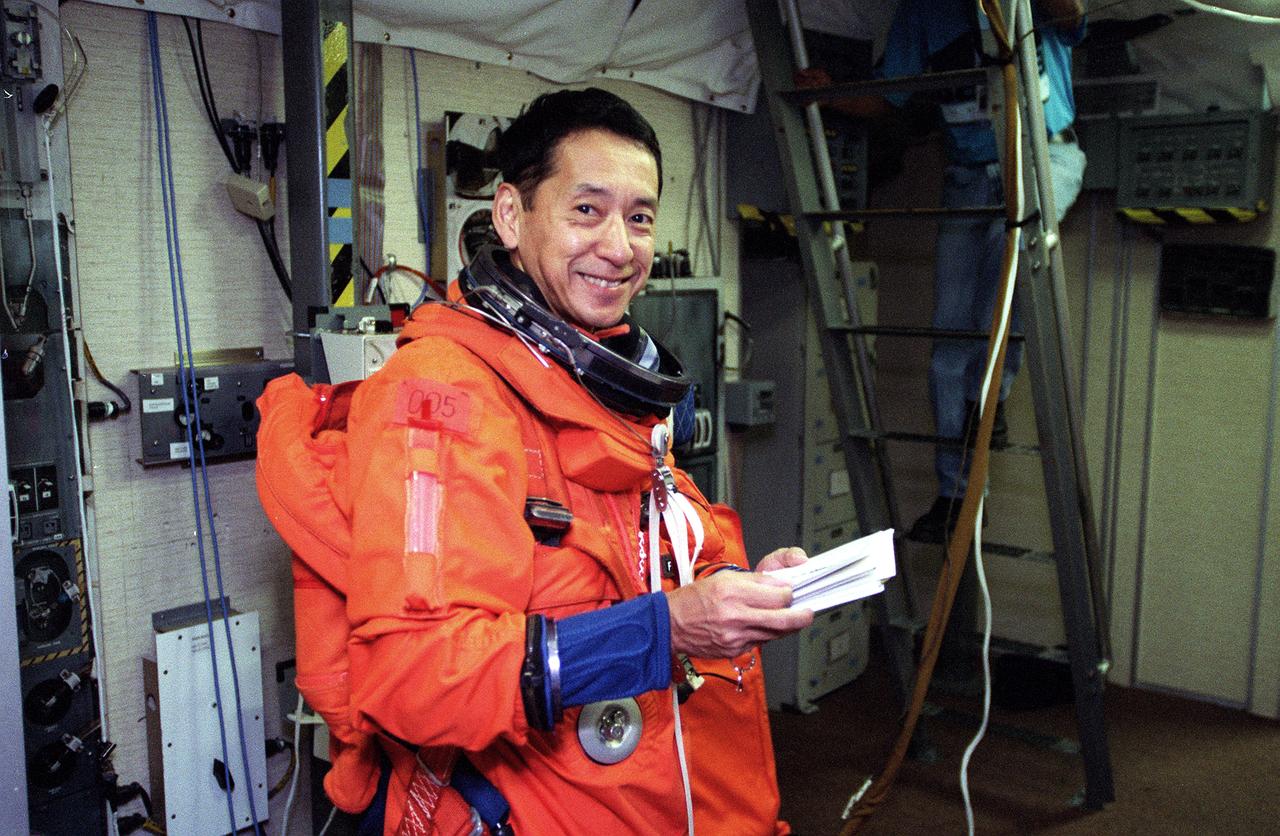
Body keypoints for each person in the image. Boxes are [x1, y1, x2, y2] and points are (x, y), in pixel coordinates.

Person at [260, 88, 813, 835]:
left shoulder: (597, 391)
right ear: (512, 217)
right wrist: (669, 632)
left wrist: (726, 589)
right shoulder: (442, 398)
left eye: (640, 216)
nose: (620, 247)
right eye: (587, 210)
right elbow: (414, 676)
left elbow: (628, 571)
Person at [801, 0, 1087, 543]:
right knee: (946, 347)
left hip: (1040, 157)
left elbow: (1069, 16)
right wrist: (826, 92)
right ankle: (955, 499)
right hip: (968, 175)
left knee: (1001, 304)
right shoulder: (925, 12)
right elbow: (891, 98)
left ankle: (991, 401)